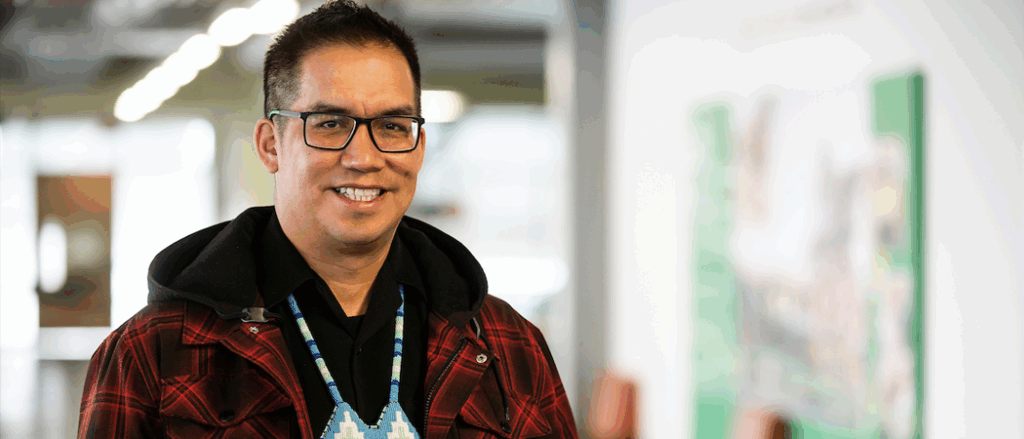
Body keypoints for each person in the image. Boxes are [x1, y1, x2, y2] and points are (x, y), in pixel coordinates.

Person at [78, 1, 578, 438]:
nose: (364, 157)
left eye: (391, 125)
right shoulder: (154, 353)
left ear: (419, 146)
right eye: (331, 124)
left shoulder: (506, 345)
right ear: (271, 145)